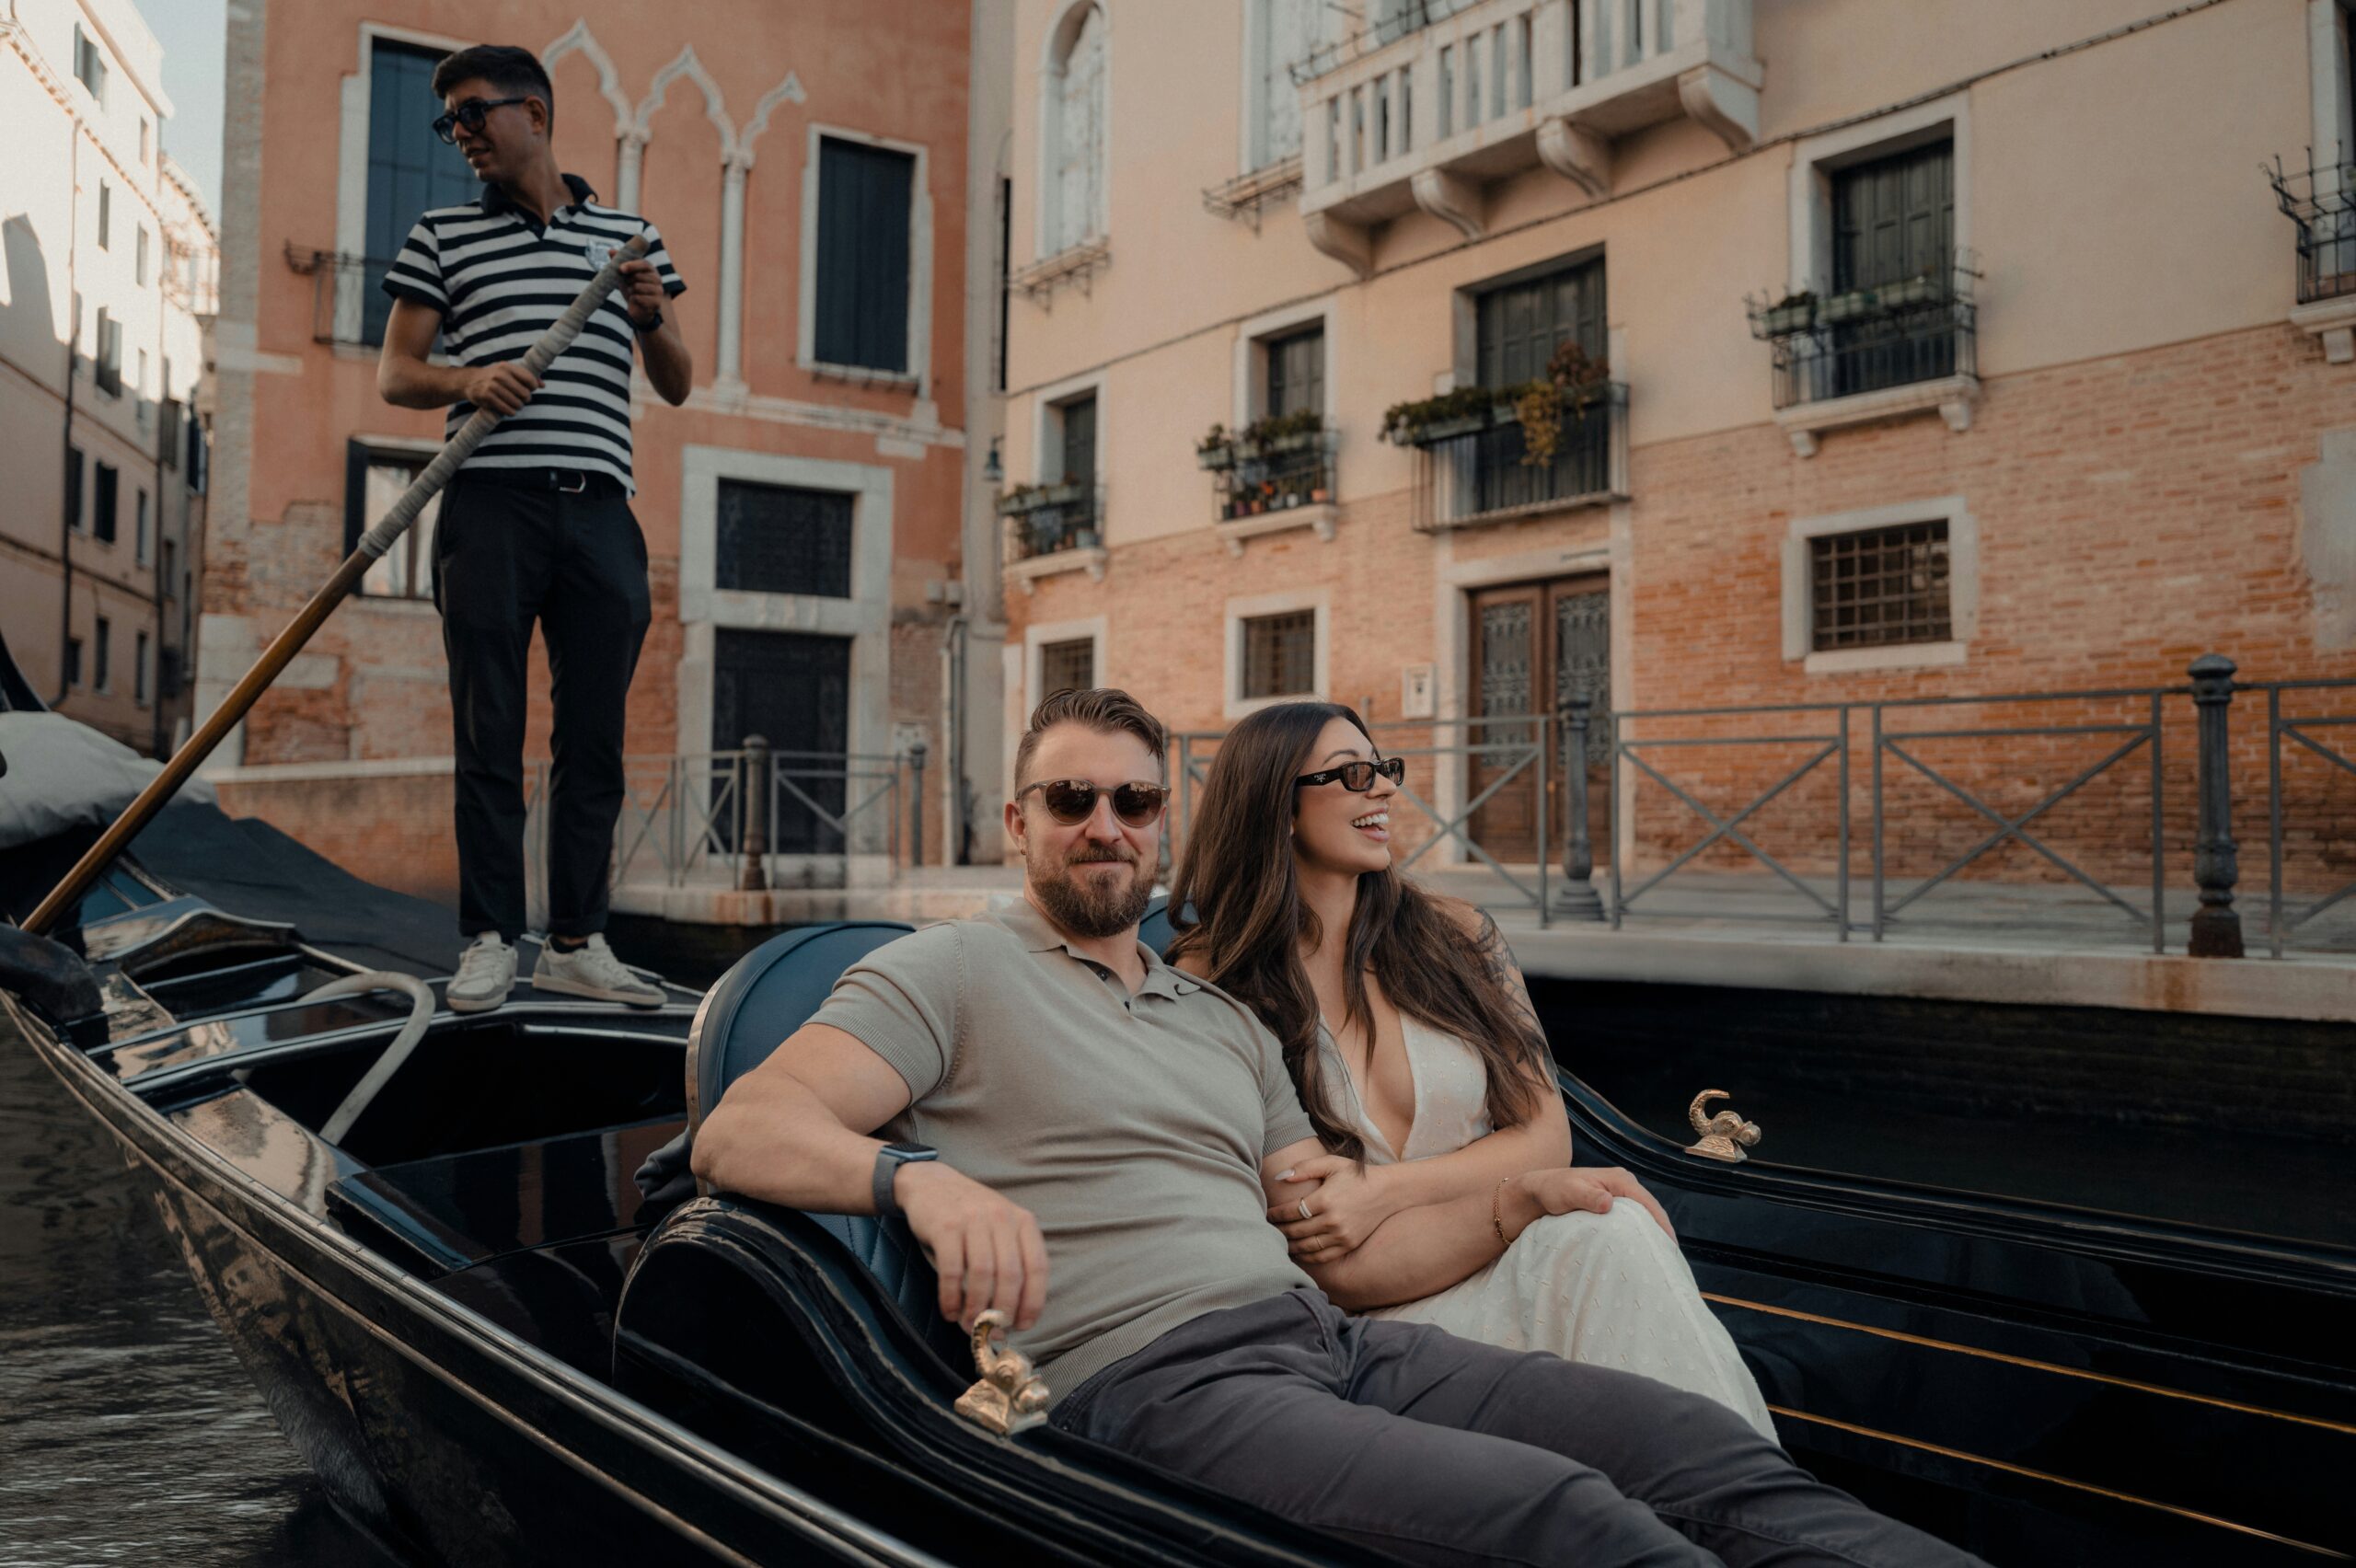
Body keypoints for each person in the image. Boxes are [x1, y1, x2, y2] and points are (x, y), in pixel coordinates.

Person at [694, 687, 1984, 1566]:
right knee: (1561, 1517)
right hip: (1155, 1384)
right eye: (1072, 798)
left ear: (1162, 828)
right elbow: (746, 1126)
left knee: (1697, 1450)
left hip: (1333, 1348)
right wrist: (916, 1181)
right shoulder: (953, 972)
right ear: (1018, 820)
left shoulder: (1218, 1019)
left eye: (1135, 804)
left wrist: (1522, 1199)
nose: (1106, 826)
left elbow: (1353, 1266)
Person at [1166, 700, 1773, 1436]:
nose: (1384, 789)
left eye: (1384, 769)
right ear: (1277, 806)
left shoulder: (1457, 935)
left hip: (1512, 1257)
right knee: (1600, 1233)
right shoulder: (1210, 982)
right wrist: (1514, 1193)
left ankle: (1743, 1500)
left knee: (1608, 1228)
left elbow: (1546, 1139)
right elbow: (1327, 1252)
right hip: (1376, 1320)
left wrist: (1380, 1188)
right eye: (1353, 774)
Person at [376, 44, 689, 1014]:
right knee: (489, 732)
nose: (460, 135)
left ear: (536, 113)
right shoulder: (441, 236)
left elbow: (676, 381)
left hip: (601, 510)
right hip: (489, 506)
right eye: (450, 123)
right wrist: (470, 379)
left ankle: (577, 940)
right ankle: (486, 940)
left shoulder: (632, 237)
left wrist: (648, 317)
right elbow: (397, 373)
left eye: (473, 113)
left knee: (593, 739)